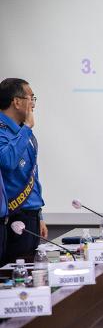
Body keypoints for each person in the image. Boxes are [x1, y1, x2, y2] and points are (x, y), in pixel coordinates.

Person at [0, 78, 48, 263]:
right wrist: (27, 128)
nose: (33, 105)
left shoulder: (22, 132)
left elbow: (32, 173)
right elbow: (7, 161)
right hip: (13, 216)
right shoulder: (4, 131)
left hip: (30, 215)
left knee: (30, 275)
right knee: (14, 277)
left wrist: (39, 214)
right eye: (31, 98)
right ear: (16, 101)